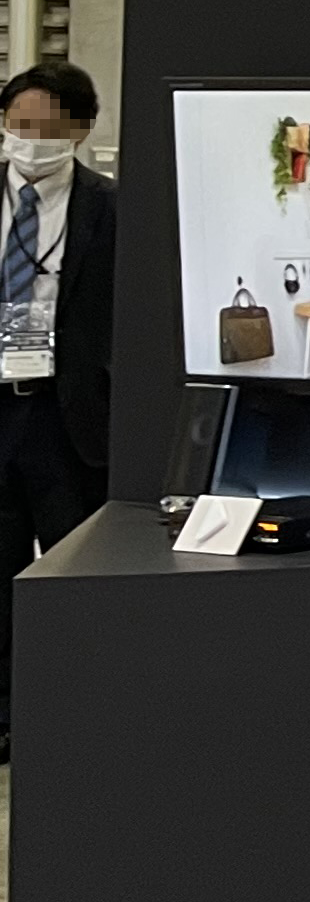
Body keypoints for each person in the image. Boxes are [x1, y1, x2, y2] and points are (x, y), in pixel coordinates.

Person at [0, 61, 115, 757]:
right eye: (17, 126)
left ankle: (72, 714)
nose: (28, 141)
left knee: (72, 570)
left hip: (66, 416)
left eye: (44, 129)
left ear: (80, 129)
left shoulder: (112, 208)